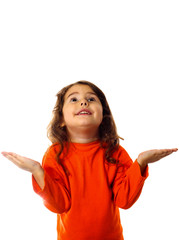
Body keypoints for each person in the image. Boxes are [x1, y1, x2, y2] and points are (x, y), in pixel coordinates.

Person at [1, 80, 178, 240]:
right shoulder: (55, 154)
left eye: (91, 99)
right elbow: (59, 205)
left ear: (103, 116)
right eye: (73, 99)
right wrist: (37, 170)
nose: (83, 102)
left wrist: (140, 163)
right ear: (62, 119)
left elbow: (124, 200)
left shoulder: (115, 152)